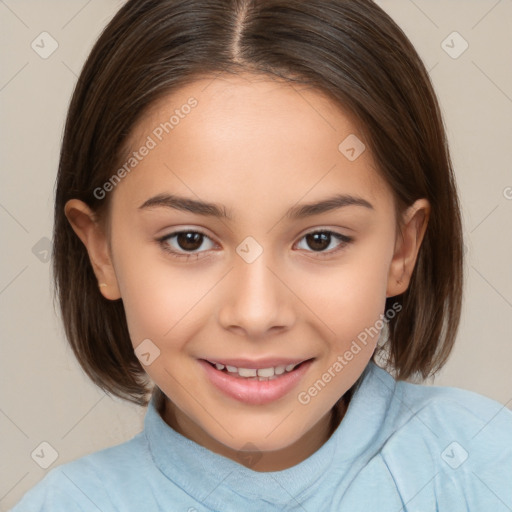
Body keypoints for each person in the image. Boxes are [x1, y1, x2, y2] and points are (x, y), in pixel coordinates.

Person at [11, 0, 512, 510]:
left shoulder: (487, 467)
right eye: (189, 240)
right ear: (102, 252)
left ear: (402, 250)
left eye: (320, 240)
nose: (256, 314)